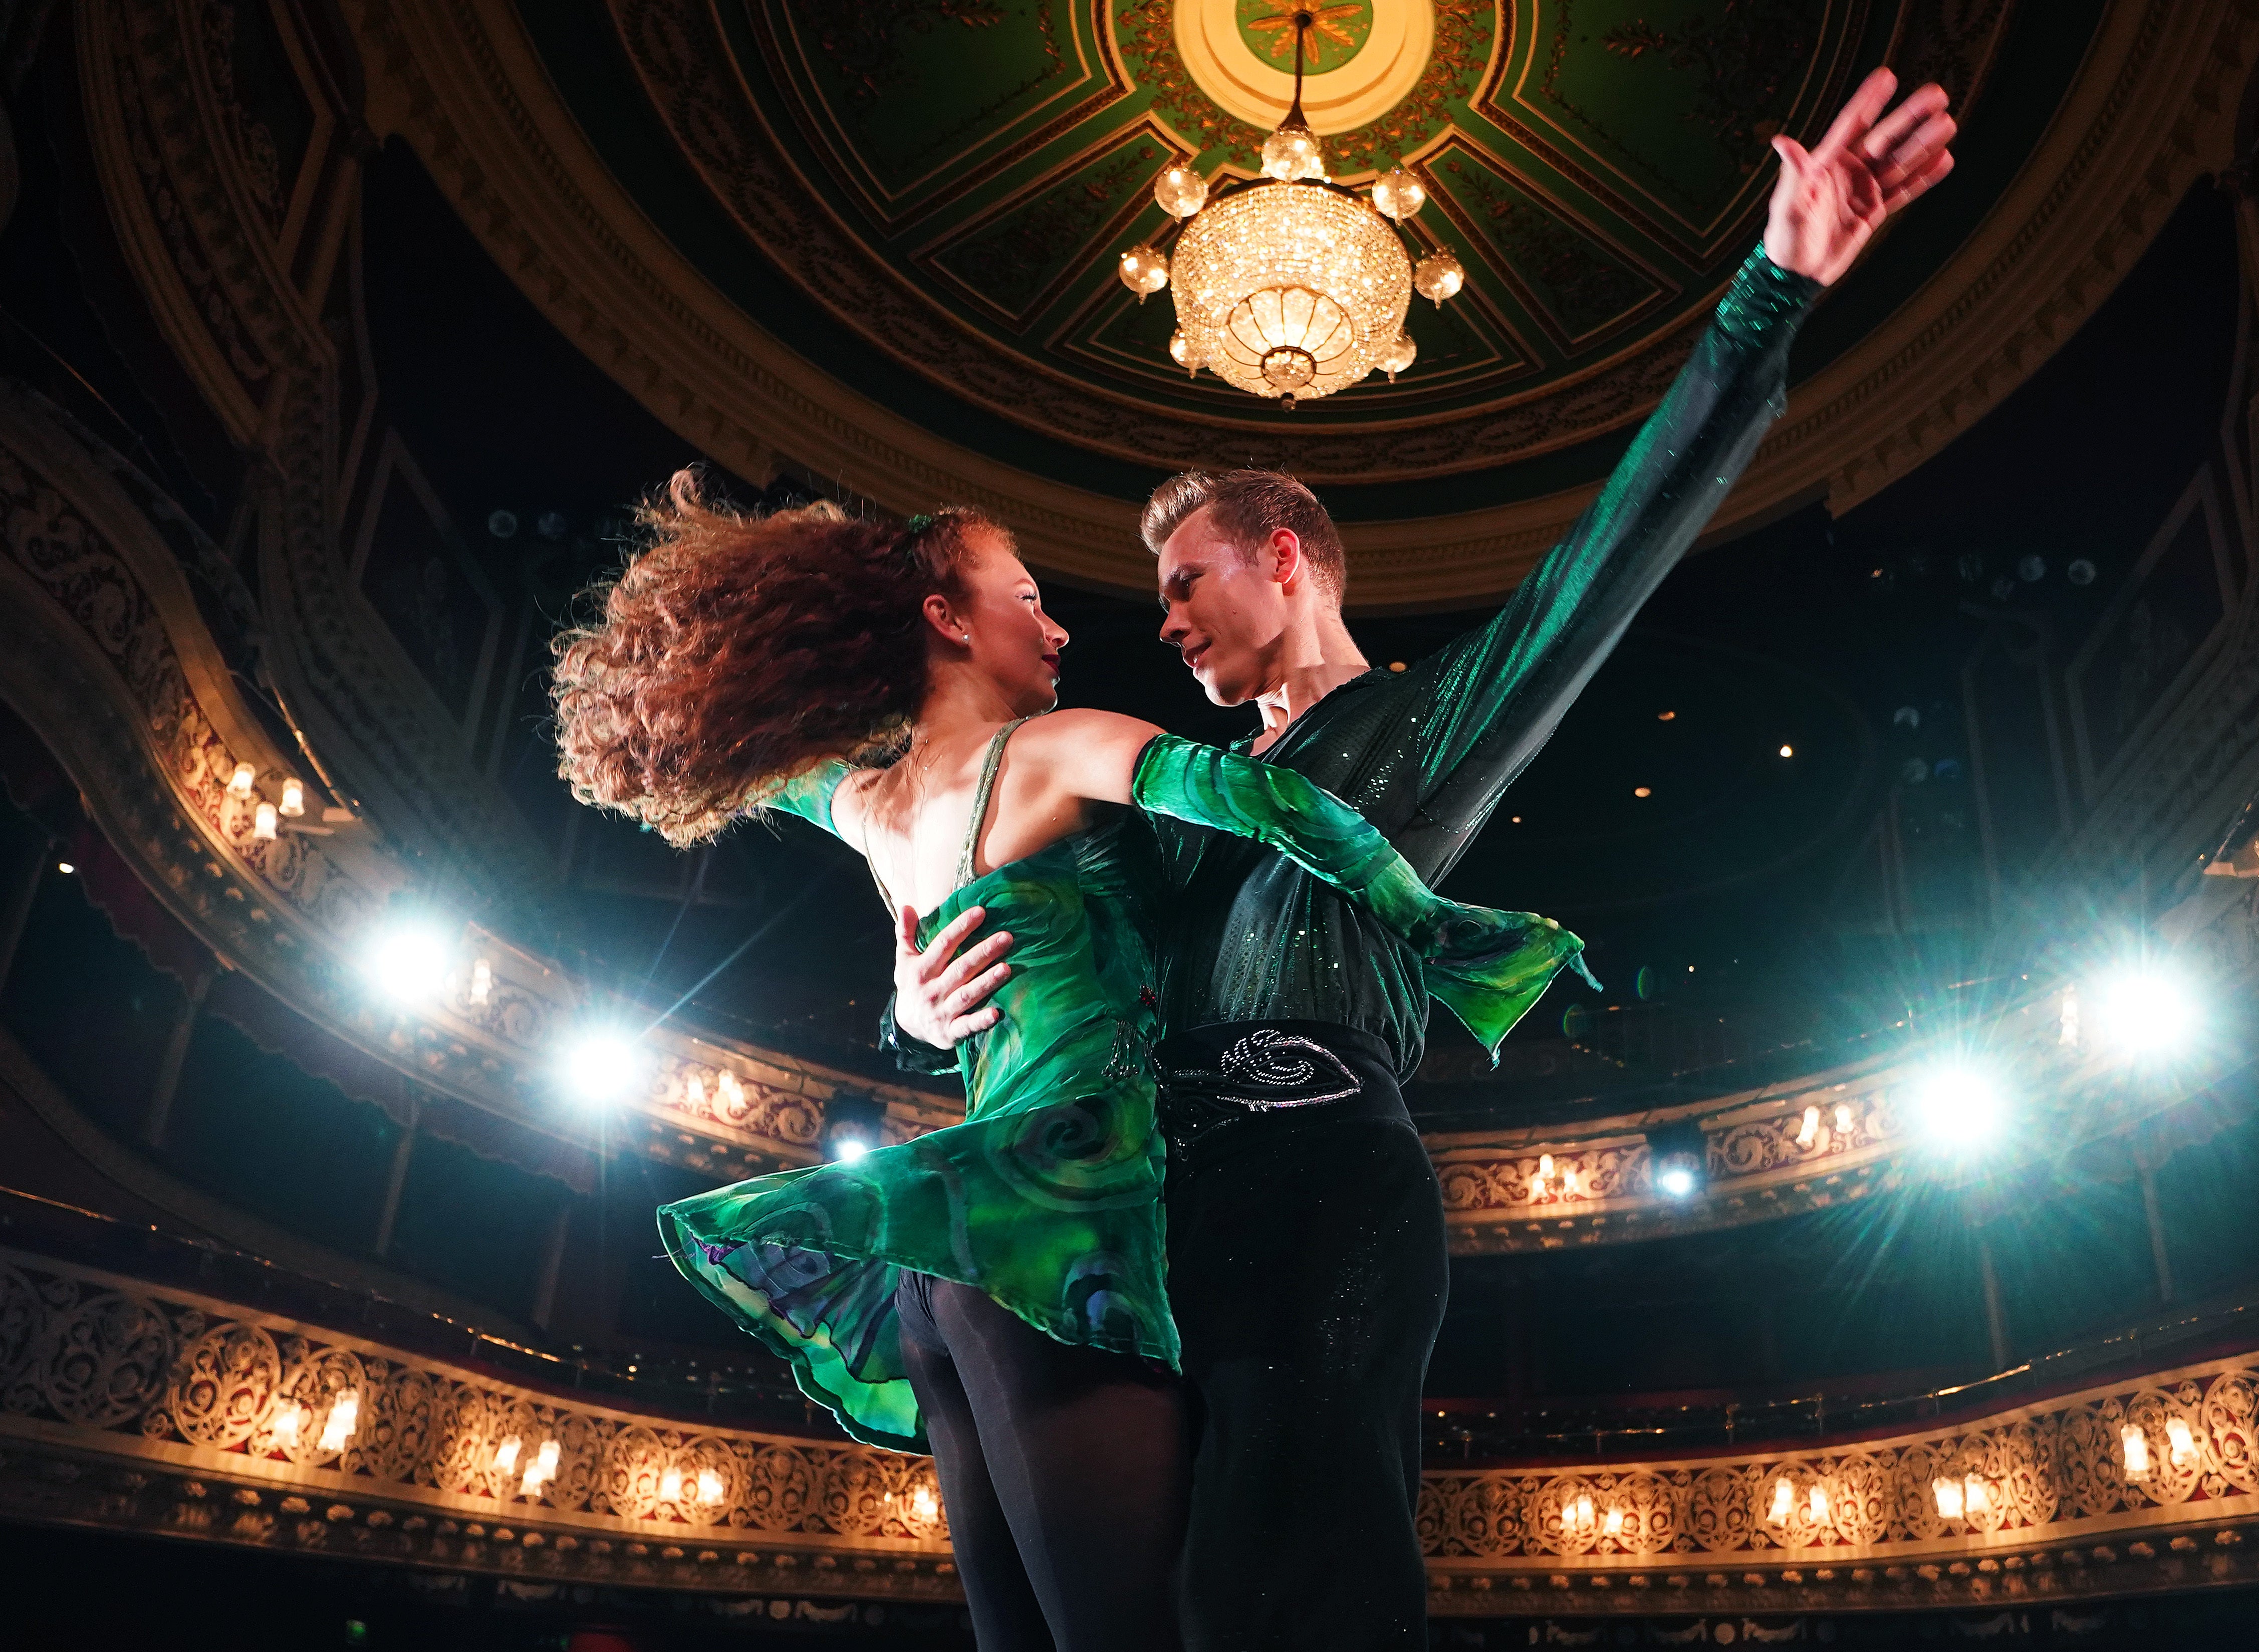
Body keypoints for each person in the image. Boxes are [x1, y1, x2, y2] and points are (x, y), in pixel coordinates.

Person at [889, 68, 1960, 1650]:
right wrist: (918, 1009)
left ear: (1284, 554)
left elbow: (1616, 548)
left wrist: (1770, 289)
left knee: (1284, 1591)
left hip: (1321, 1192)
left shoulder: (1425, 729)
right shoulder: (1165, 799)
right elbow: (1021, 920)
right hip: (1150, 1209)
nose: (1163, 617)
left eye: (1186, 577)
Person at [548, 478, 1590, 1651]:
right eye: (1030, 598)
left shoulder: (868, 806)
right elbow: (1275, 800)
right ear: (947, 617)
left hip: (947, 1254)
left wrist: (908, 1002)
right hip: (1065, 1229)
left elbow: (751, 757)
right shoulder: (1057, 746)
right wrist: (1447, 927)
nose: (1059, 628)